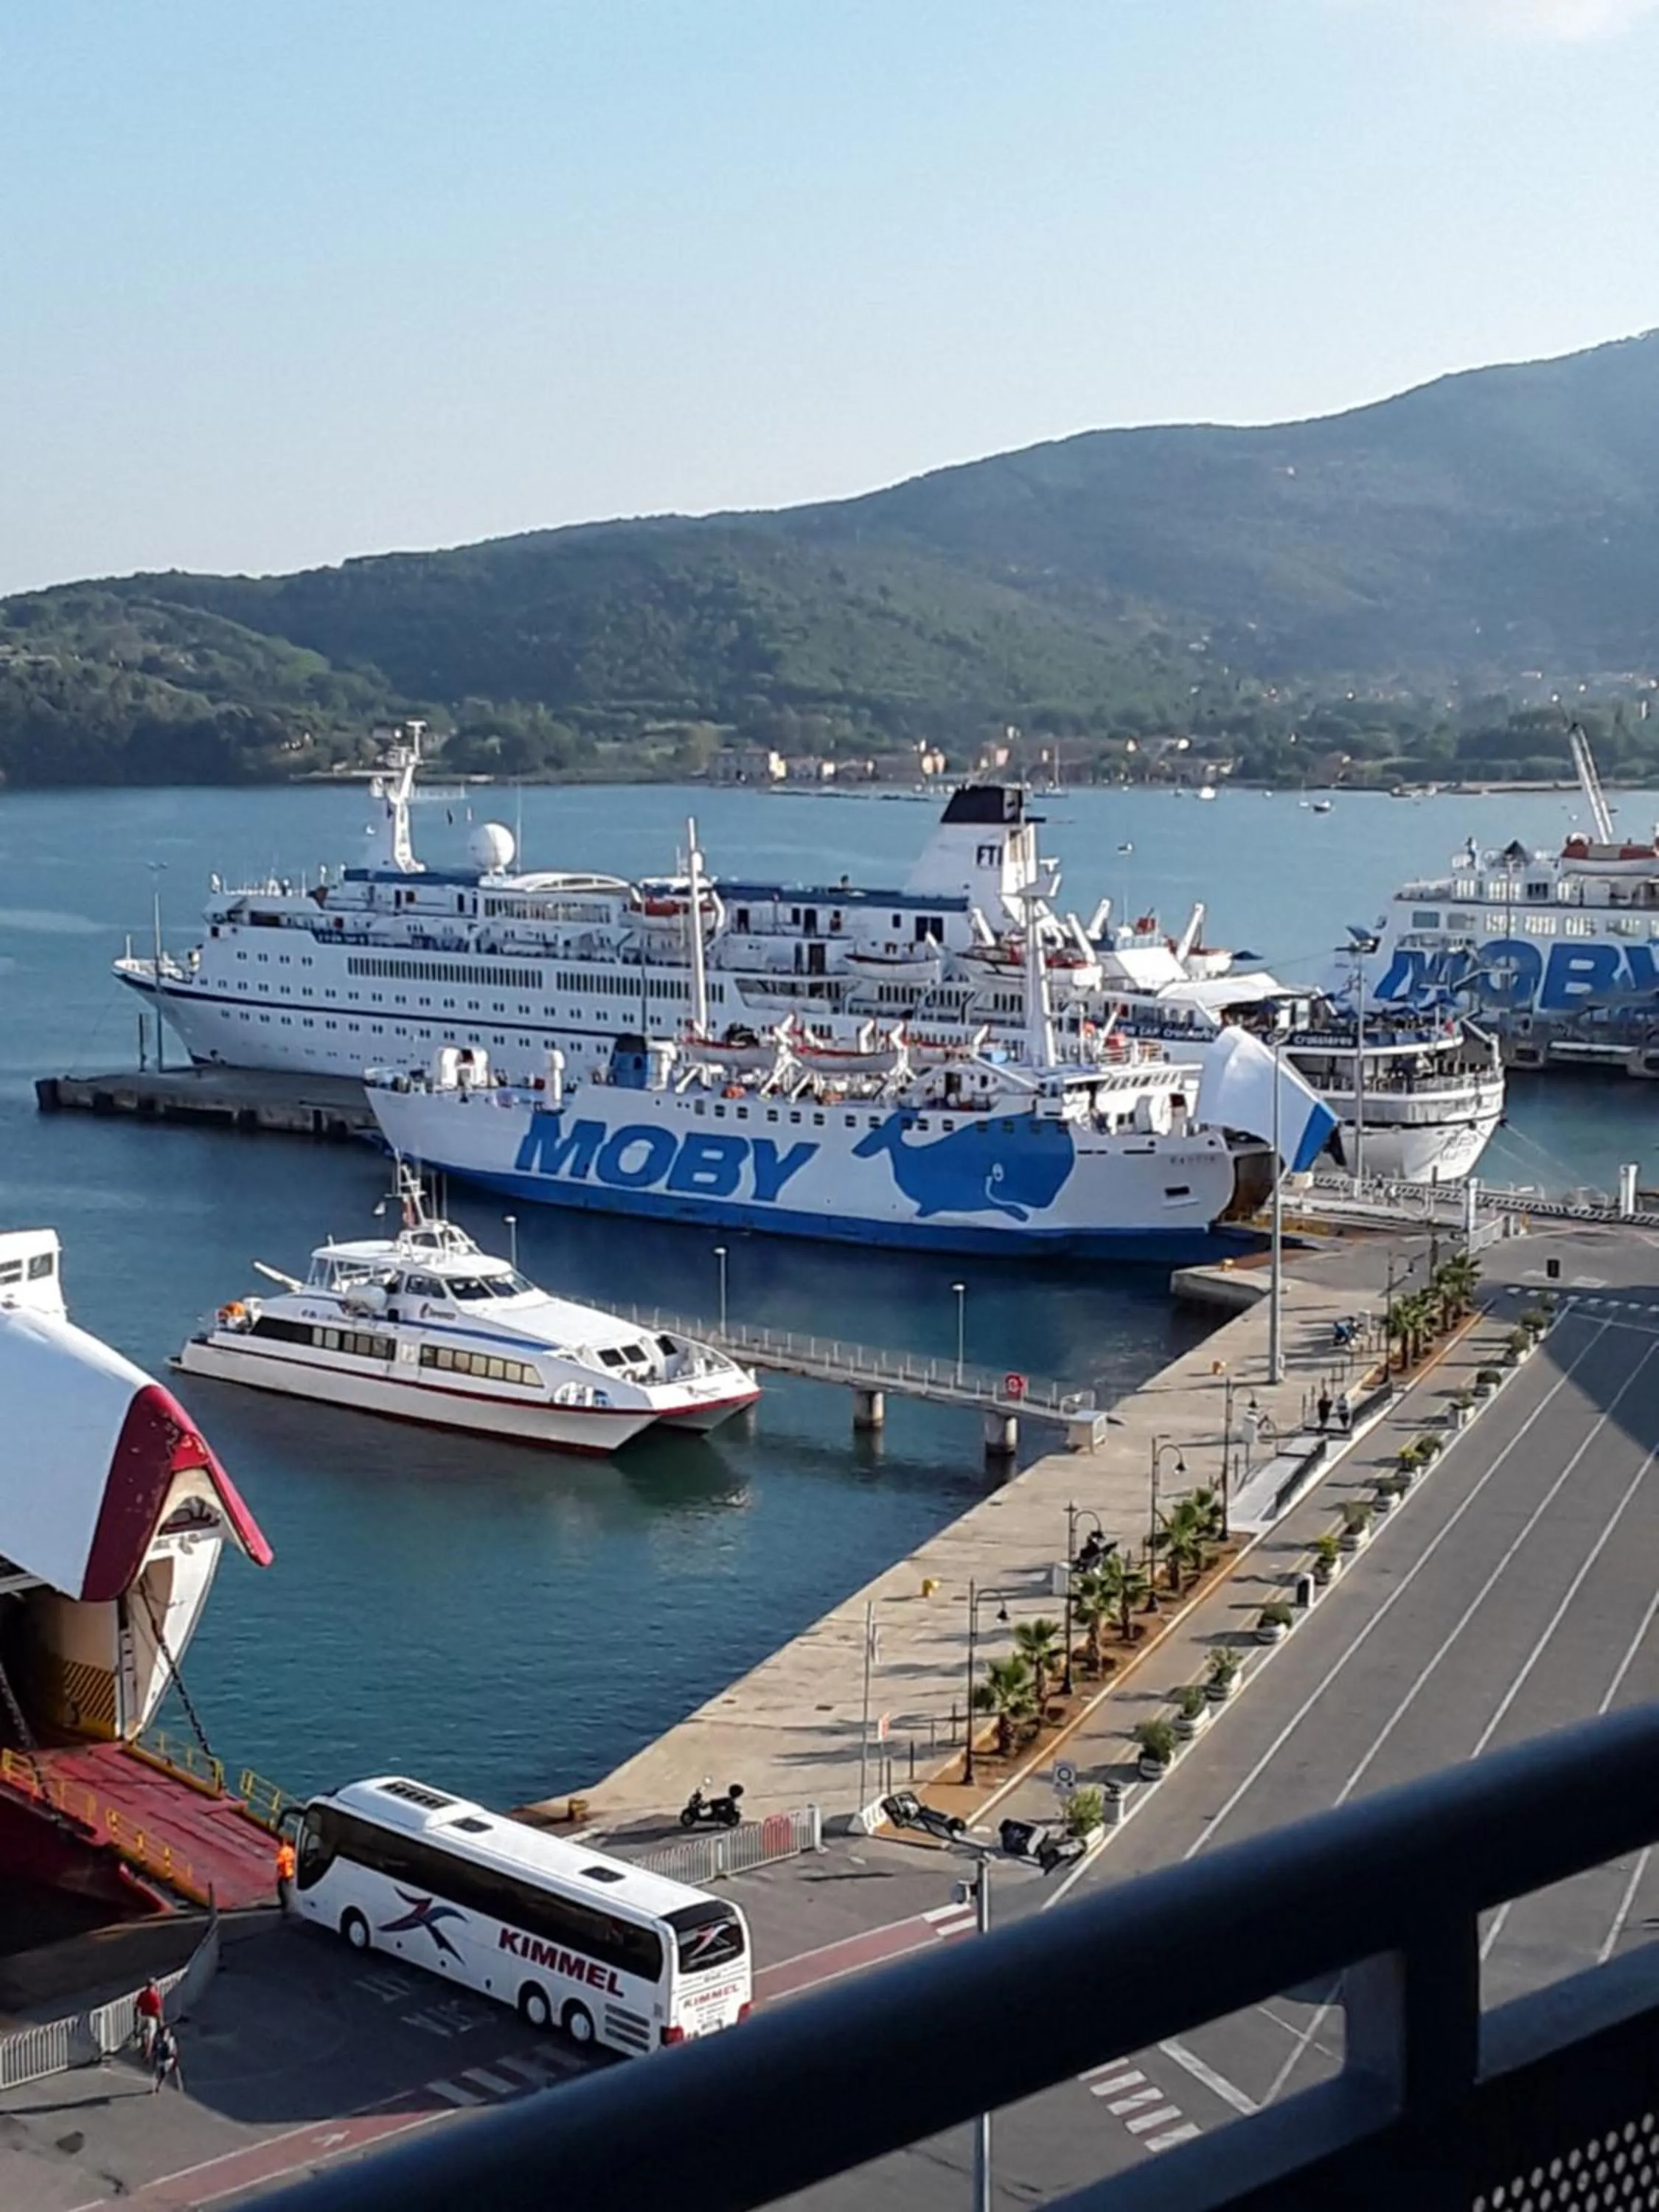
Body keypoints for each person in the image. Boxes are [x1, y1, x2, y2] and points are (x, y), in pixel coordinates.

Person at [134, 1978, 164, 2061]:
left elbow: (137, 2006)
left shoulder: (142, 1994)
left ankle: (144, 2047)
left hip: (143, 2016)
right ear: (154, 1985)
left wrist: (136, 2018)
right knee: (151, 2036)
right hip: (152, 2018)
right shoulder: (156, 1996)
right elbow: (158, 2010)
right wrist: (161, 2021)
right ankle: (148, 2054)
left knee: (143, 2033)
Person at [150, 2022, 183, 2094]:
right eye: (165, 2031)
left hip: (169, 2059)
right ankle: (155, 2087)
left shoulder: (172, 2039)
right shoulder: (158, 2038)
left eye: (167, 2031)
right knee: (158, 2073)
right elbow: (155, 2048)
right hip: (161, 2059)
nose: (166, 2033)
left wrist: (175, 2058)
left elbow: (175, 2050)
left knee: (166, 2073)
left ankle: (160, 2085)